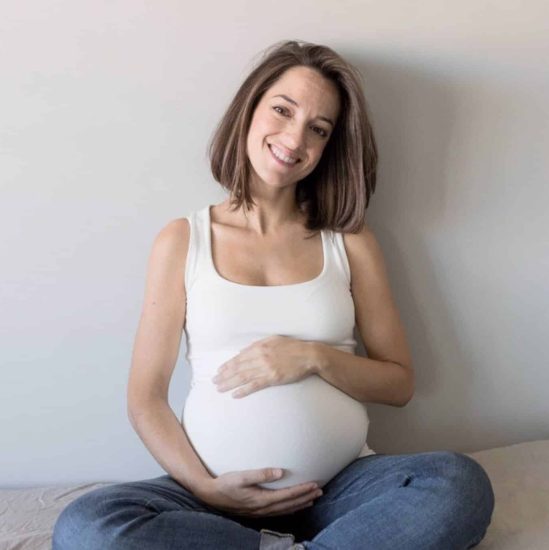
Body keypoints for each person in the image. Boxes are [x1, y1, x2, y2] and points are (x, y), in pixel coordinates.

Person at [52, 39, 495, 550]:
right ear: (250, 110)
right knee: (87, 526)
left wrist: (311, 357)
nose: (294, 137)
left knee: (459, 483)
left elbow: (399, 384)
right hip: (214, 502)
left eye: (318, 128)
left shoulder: (350, 241)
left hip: (340, 491)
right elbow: (145, 399)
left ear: (329, 147)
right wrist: (207, 488)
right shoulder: (183, 240)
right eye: (283, 110)